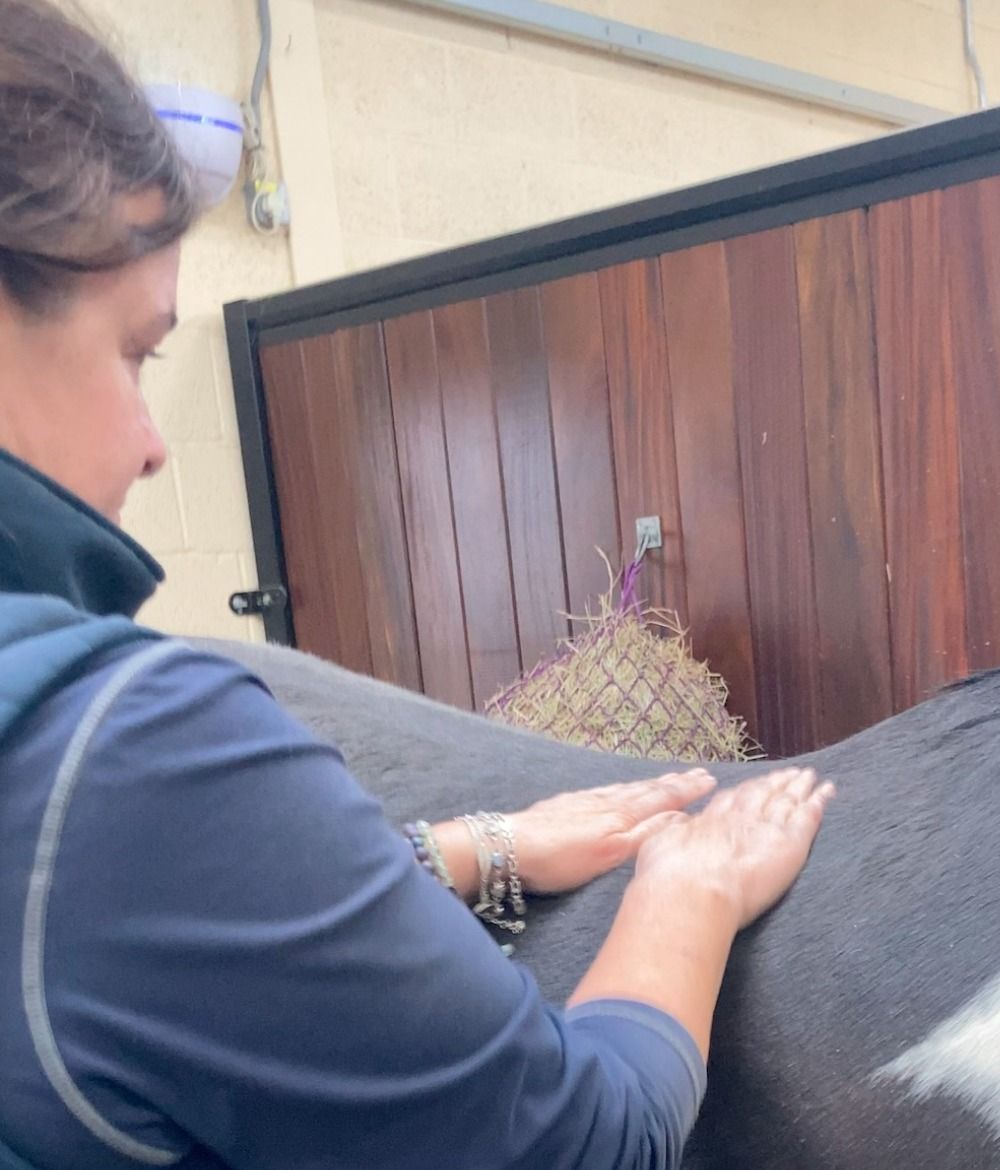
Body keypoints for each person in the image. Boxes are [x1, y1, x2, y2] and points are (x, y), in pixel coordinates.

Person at [0, 2, 835, 1167]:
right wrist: (687, 891)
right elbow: (582, 1140)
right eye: (133, 353)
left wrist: (468, 849)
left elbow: (128, 936)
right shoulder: (124, 748)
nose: (152, 442)